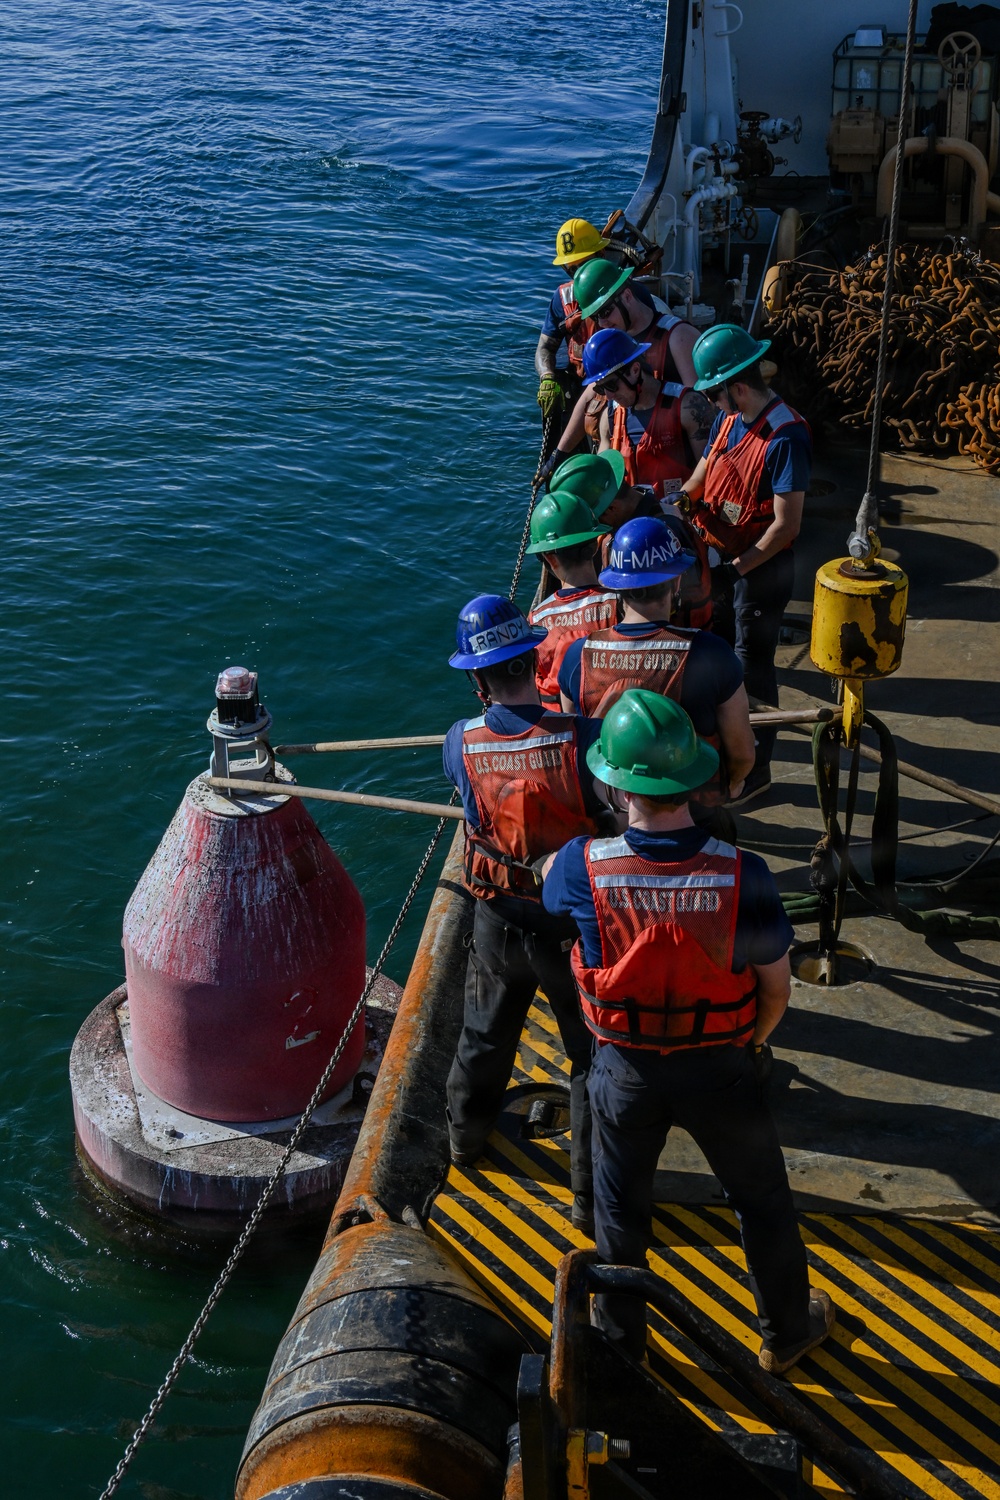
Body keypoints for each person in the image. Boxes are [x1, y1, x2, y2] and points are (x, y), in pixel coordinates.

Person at [541, 689, 836, 1373]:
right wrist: (749, 1042)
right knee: (761, 1199)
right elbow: (776, 986)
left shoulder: (584, 869)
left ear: (614, 783)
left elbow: (551, 885)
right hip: (720, 1067)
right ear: (694, 780)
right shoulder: (747, 874)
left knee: (620, 1218)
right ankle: (788, 1330)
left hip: (625, 1071)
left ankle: (621, 1349)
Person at [443, 592, 619, 1230]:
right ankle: (587, 1197)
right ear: (531, 658)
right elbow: (613, 813)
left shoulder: (459, 742)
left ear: (479, 677)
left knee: (485, 1033)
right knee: (588, 1053)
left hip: (497, 919)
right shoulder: (584, 739)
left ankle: (464, 1140)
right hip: (569, 927)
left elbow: (472, 809)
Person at [676, 324, 812, 804]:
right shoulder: (729, 420)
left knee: (752, 668)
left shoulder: (785, 435)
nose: (711, 403)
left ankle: (759, 770)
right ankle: (726, 752)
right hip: (722, 558)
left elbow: (786, 526)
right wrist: (686, 499)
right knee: (715, 656)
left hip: (762, 571)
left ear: (735, 387)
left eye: (714, 394)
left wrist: (739, 569)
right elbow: (706, 468)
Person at [558, 516, 755, 805]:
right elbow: (742, 755)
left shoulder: (578, 657)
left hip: (612, 810)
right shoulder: (712, 654)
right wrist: (732, 785)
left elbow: (576, 745)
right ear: (676, 582)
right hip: (692, 810)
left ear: (617, 586)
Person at [543, 260, 700, 465]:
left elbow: (701, 408)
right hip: (631, 461)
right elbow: (591, 393)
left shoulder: (677, 338)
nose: (603, 323)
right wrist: (559, 454)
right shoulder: (612, 343)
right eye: (597, 317)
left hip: (675, 464)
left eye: (606, 312)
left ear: (626, 296)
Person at [524, 491, 619, 709]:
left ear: (548, 558)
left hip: (561, 729)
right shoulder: (620, 604)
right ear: (595, 546)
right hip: (615, 719)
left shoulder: (537, 619)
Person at [535, 218, 610, 442]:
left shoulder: (625, 294)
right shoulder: (563, 298)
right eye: (573, 268)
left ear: (601, 256)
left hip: (619, 386)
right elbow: (545, 348)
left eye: (585, 265)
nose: (579, 274)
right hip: (580, 388)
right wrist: (547, 378)